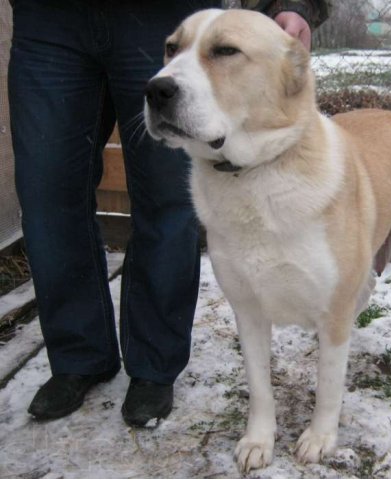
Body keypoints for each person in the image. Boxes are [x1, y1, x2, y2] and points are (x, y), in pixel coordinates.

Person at [8, 0, 329, 427]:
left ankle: (154, 366)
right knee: (47, 193)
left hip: (162, 11)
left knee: (166, 199)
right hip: (47, 17)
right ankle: (77, 356)